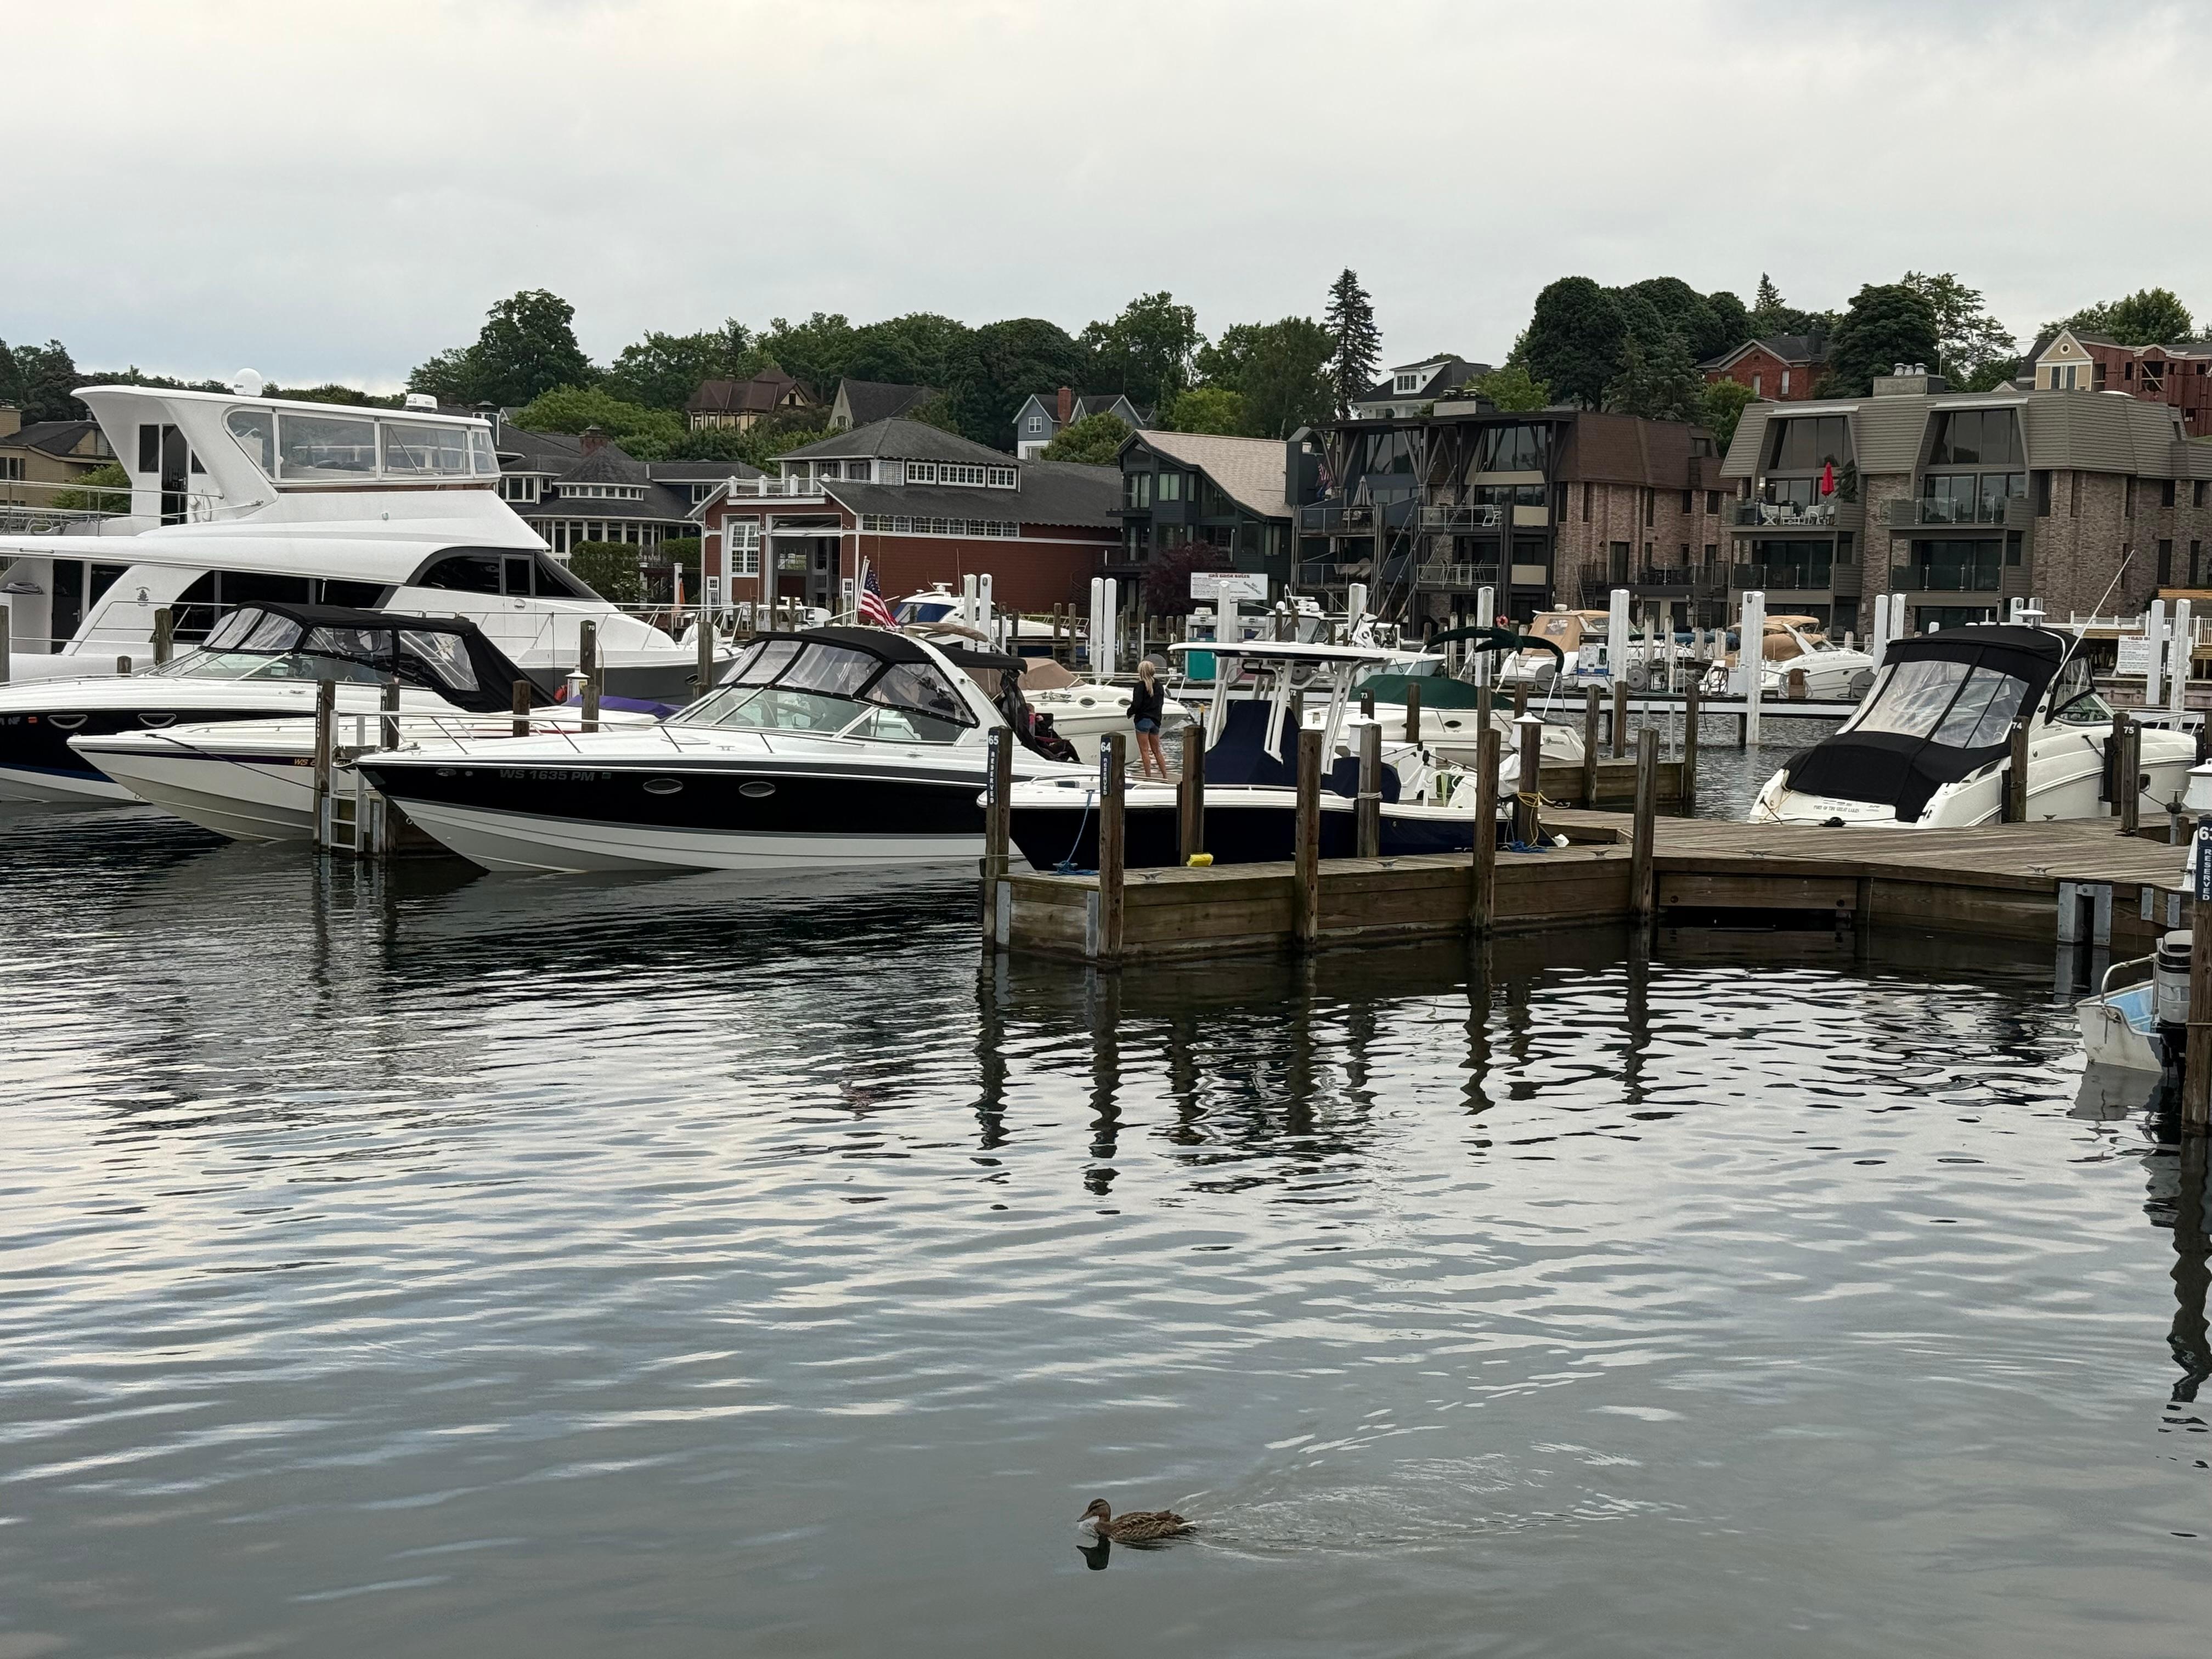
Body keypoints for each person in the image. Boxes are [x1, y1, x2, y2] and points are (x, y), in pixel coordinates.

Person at [1128, 659, 1167, 779]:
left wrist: (1130, 712)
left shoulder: (1140, 686)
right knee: (1157, 751)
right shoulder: (1160, 686)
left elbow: (1137, 704)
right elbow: (1161, 703)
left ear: (1141, 672)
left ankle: (1148, 776)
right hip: (1156, 721)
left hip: (1143, 720)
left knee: (1145, 751)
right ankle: (1165, 776)